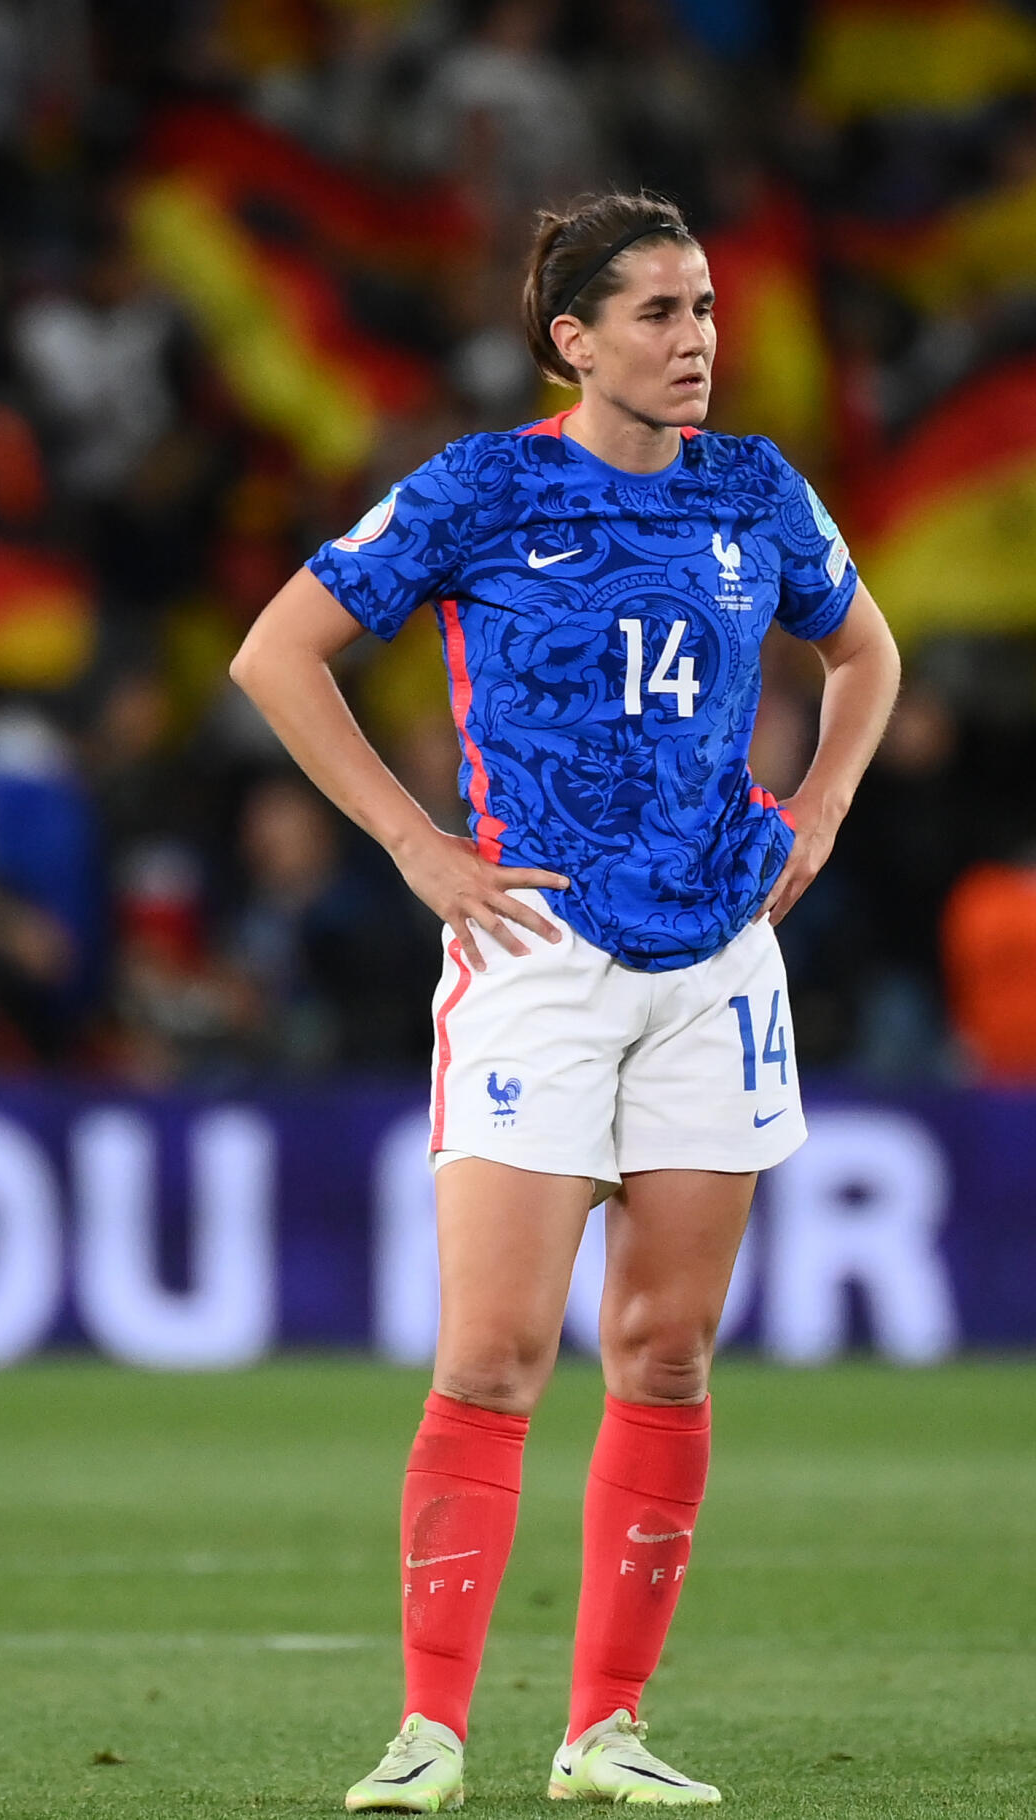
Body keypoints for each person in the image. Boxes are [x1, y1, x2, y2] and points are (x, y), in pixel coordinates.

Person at [227, 192, 901, 1810]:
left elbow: (865, 655)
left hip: (716, 962)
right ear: (571, 341)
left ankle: (605, 1731)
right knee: (494, 1354)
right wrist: (415, 843)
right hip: (535, 957)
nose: (697, 340)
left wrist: (816, 811)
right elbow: (276, 654)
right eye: (659, 313)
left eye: (705, 307)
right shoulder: (483, 487)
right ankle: (428, 1733)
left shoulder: (756, 489)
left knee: (665, 1352)